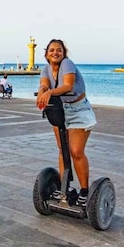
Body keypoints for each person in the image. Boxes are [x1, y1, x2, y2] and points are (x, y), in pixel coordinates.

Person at [35, 39, 96, 208]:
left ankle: (84, 191)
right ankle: (64, 188)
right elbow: (44, 85)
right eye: (52, 50)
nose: (55, 52)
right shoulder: (45, 69)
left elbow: (68, 86)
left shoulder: (67, 64)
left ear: (64, 53)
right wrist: (42, 93)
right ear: (46, 54)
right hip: (60, 109)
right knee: (63, 149)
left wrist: (49, 93)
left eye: (59, 50)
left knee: (76, 151)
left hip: (78, 110)